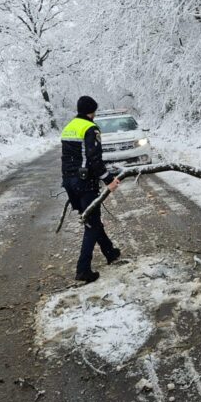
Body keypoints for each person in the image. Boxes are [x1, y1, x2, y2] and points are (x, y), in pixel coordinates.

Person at [61, 96, 122, 282]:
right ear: (92, 110)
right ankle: (83, 269)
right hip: (85, 183)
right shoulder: (90, 128)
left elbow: (68, 157)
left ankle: (109, 252)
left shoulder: (69, 127)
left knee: (91, 219)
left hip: (69, 182)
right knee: (92, 224)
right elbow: (94, 159)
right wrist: (108, 179)